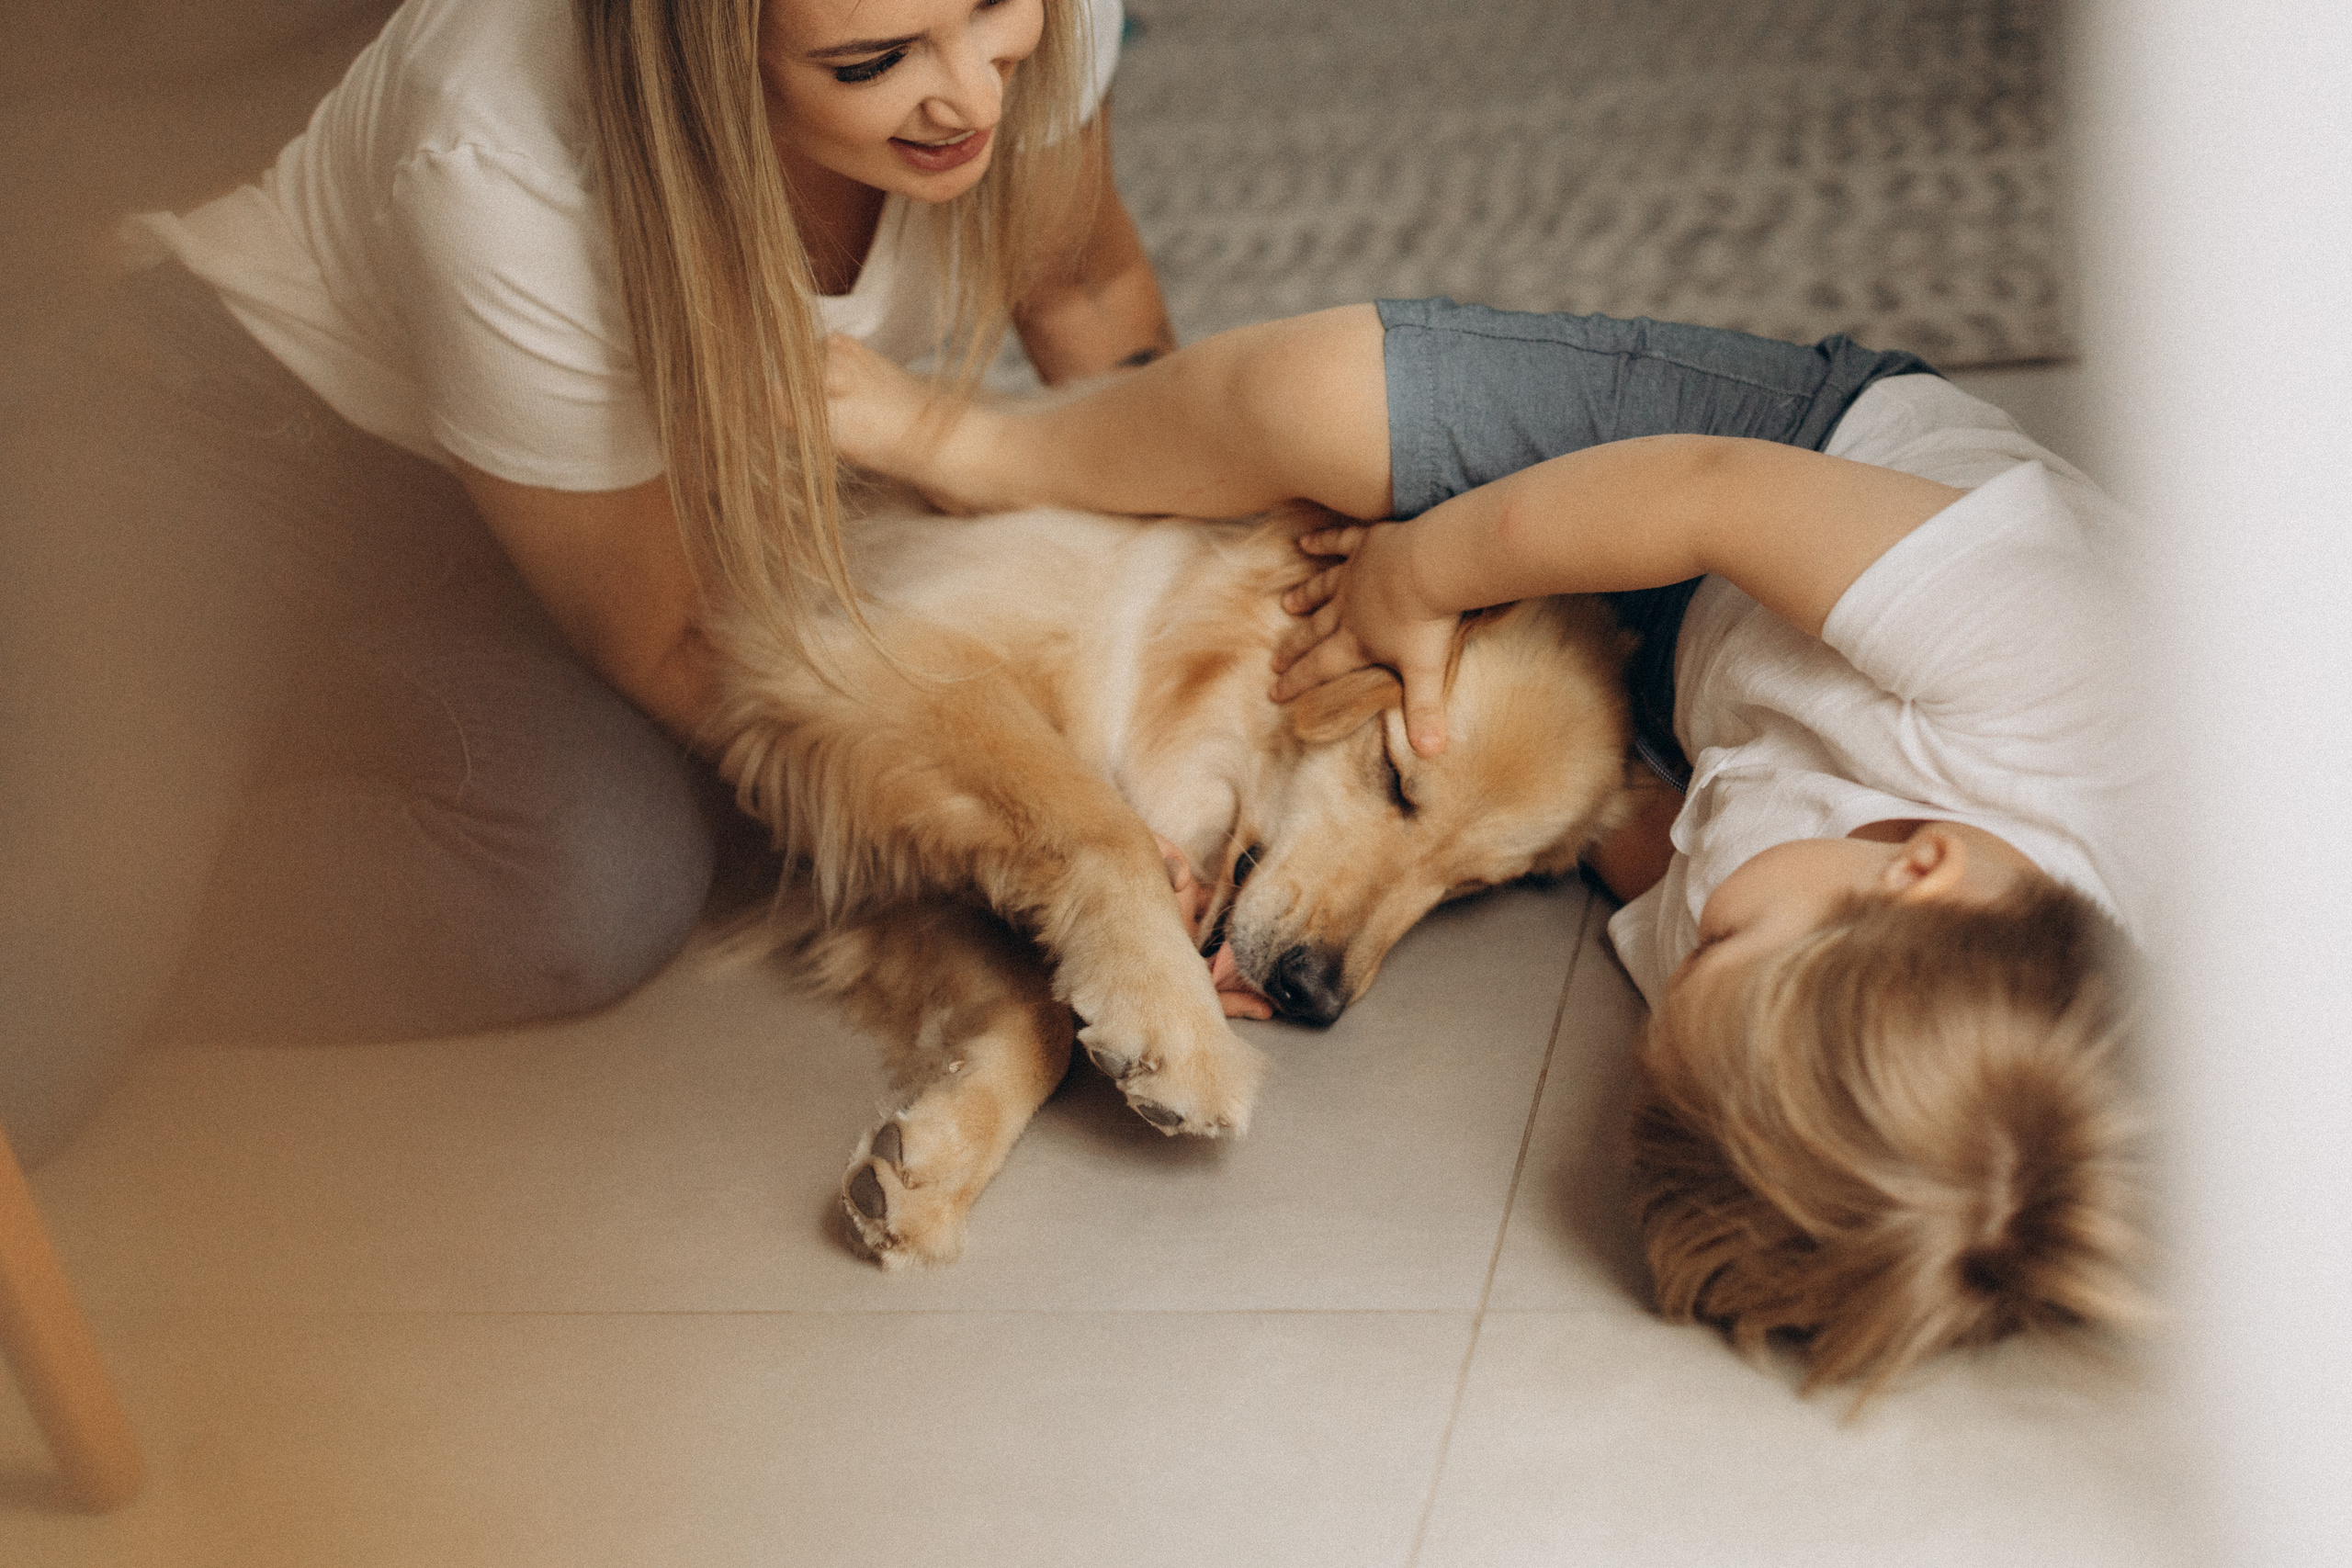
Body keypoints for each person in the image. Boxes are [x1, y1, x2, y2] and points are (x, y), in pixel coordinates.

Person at [824, 299, 2156, 1392]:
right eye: (1718, 944)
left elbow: (1612, 833)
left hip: (1713, 698)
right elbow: (1712, 495)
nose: (1686, 940)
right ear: (1917, 871)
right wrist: (1422, 571)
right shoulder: (2059, 668)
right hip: (1778, 480)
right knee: (1317, 403)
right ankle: (969, 438)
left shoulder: (1785, 966)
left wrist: (1274, 926)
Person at [0, 0, 1170, 1166]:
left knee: (594, 885)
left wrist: (1163, 763)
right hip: (228, 446)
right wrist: (1055, 848)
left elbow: (1085, 294)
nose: (973, 94)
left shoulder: (1042, 29)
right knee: (43, 1024)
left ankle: (192, 807)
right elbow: (681, 644)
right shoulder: (496, 143)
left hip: (544, 536)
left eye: (993, 7)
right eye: (873, 61)